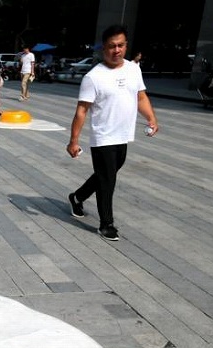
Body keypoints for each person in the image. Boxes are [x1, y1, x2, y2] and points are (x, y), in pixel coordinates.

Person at [66, 24, 158, 242]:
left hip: (123, 135)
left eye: (120, 45)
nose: (116, 50)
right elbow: (82, 110)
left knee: (105, 175)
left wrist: (151, 118)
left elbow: (141, 97)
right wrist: (73, 141)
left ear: (126, 46)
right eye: (111, 46)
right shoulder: (93, 77)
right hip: (103, 136)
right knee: (108, 181)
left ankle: (77, 197)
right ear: (103, 49)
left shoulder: (133, 68)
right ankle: (106, 224)